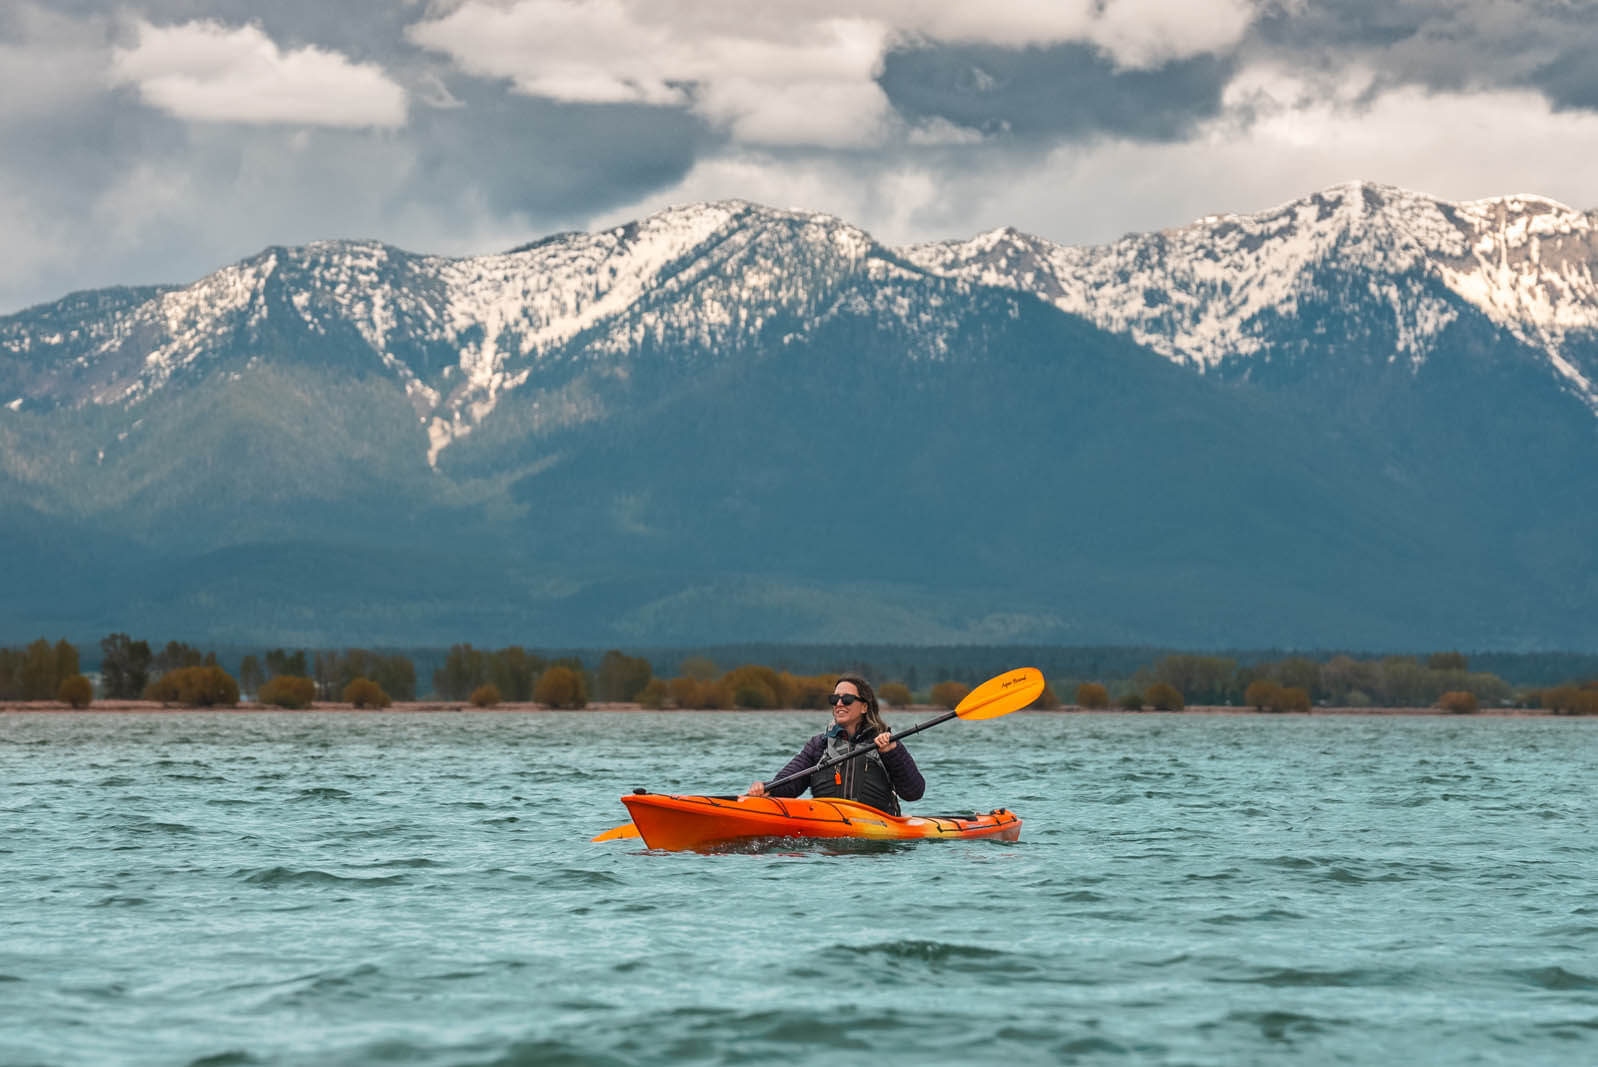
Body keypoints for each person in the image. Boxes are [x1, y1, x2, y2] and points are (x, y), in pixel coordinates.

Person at [746, 675, 924, 815]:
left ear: (864, 707)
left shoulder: (886, 744)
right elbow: (790, 783)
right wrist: (766, 789)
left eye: (846, 699)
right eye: (834, 699)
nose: (839, 704)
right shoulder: (819, 745)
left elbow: (914, 792)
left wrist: (892, 753)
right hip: (829, 830)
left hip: (877, 829)